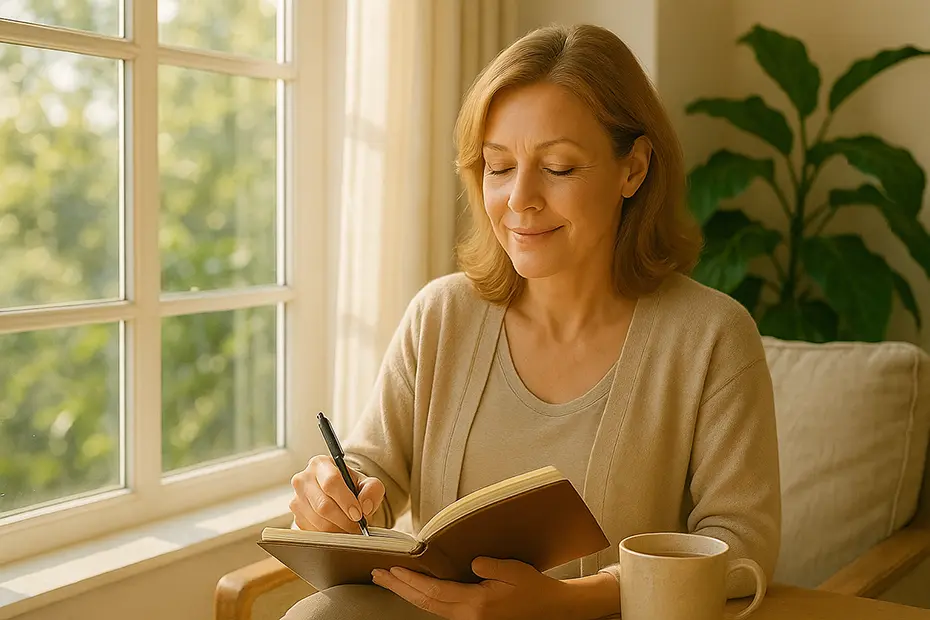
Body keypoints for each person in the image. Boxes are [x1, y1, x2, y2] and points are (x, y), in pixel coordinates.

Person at [283, 22, 781, 620]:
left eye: (560, 168)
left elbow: (741, 543)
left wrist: (568, 601)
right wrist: (337, 499)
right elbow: (373, 475)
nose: (520, 198)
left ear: (633, 168)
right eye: (498, 167)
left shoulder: (712, 336)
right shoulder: (440, 315)